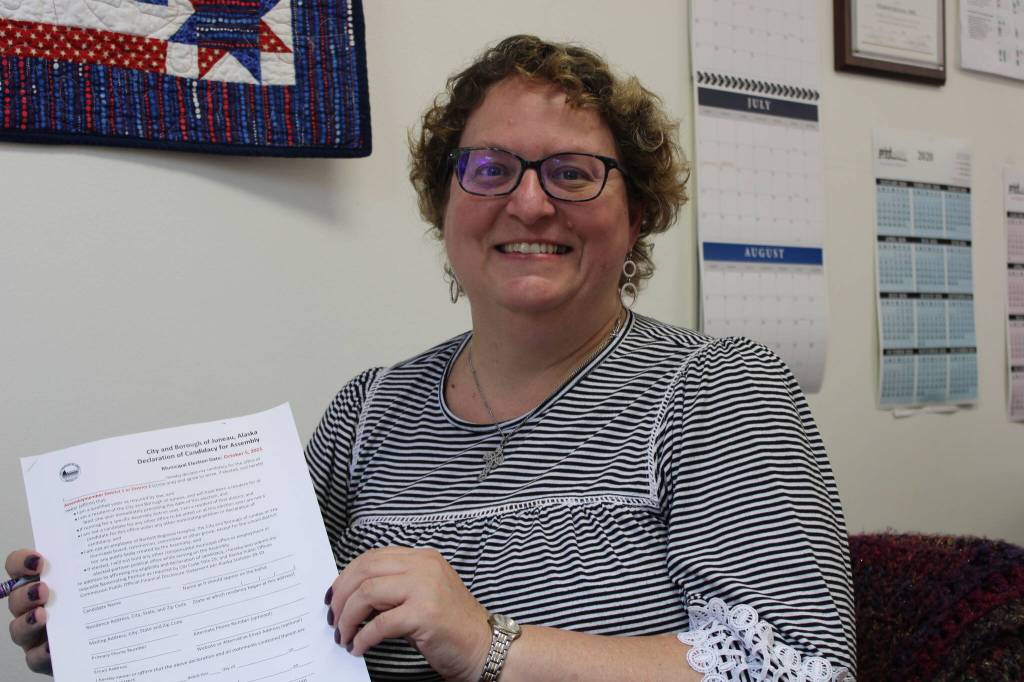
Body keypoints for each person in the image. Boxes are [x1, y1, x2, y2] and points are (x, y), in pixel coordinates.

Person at [7, 35, 855, 681]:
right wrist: (108, 626)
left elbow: (798, 665)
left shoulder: (719, 390)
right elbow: (272, 631)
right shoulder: (368, 411)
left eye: (573, 173)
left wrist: (493, 645)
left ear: (635, 215)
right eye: (489, 168)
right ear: (446, 207)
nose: (529, 202)